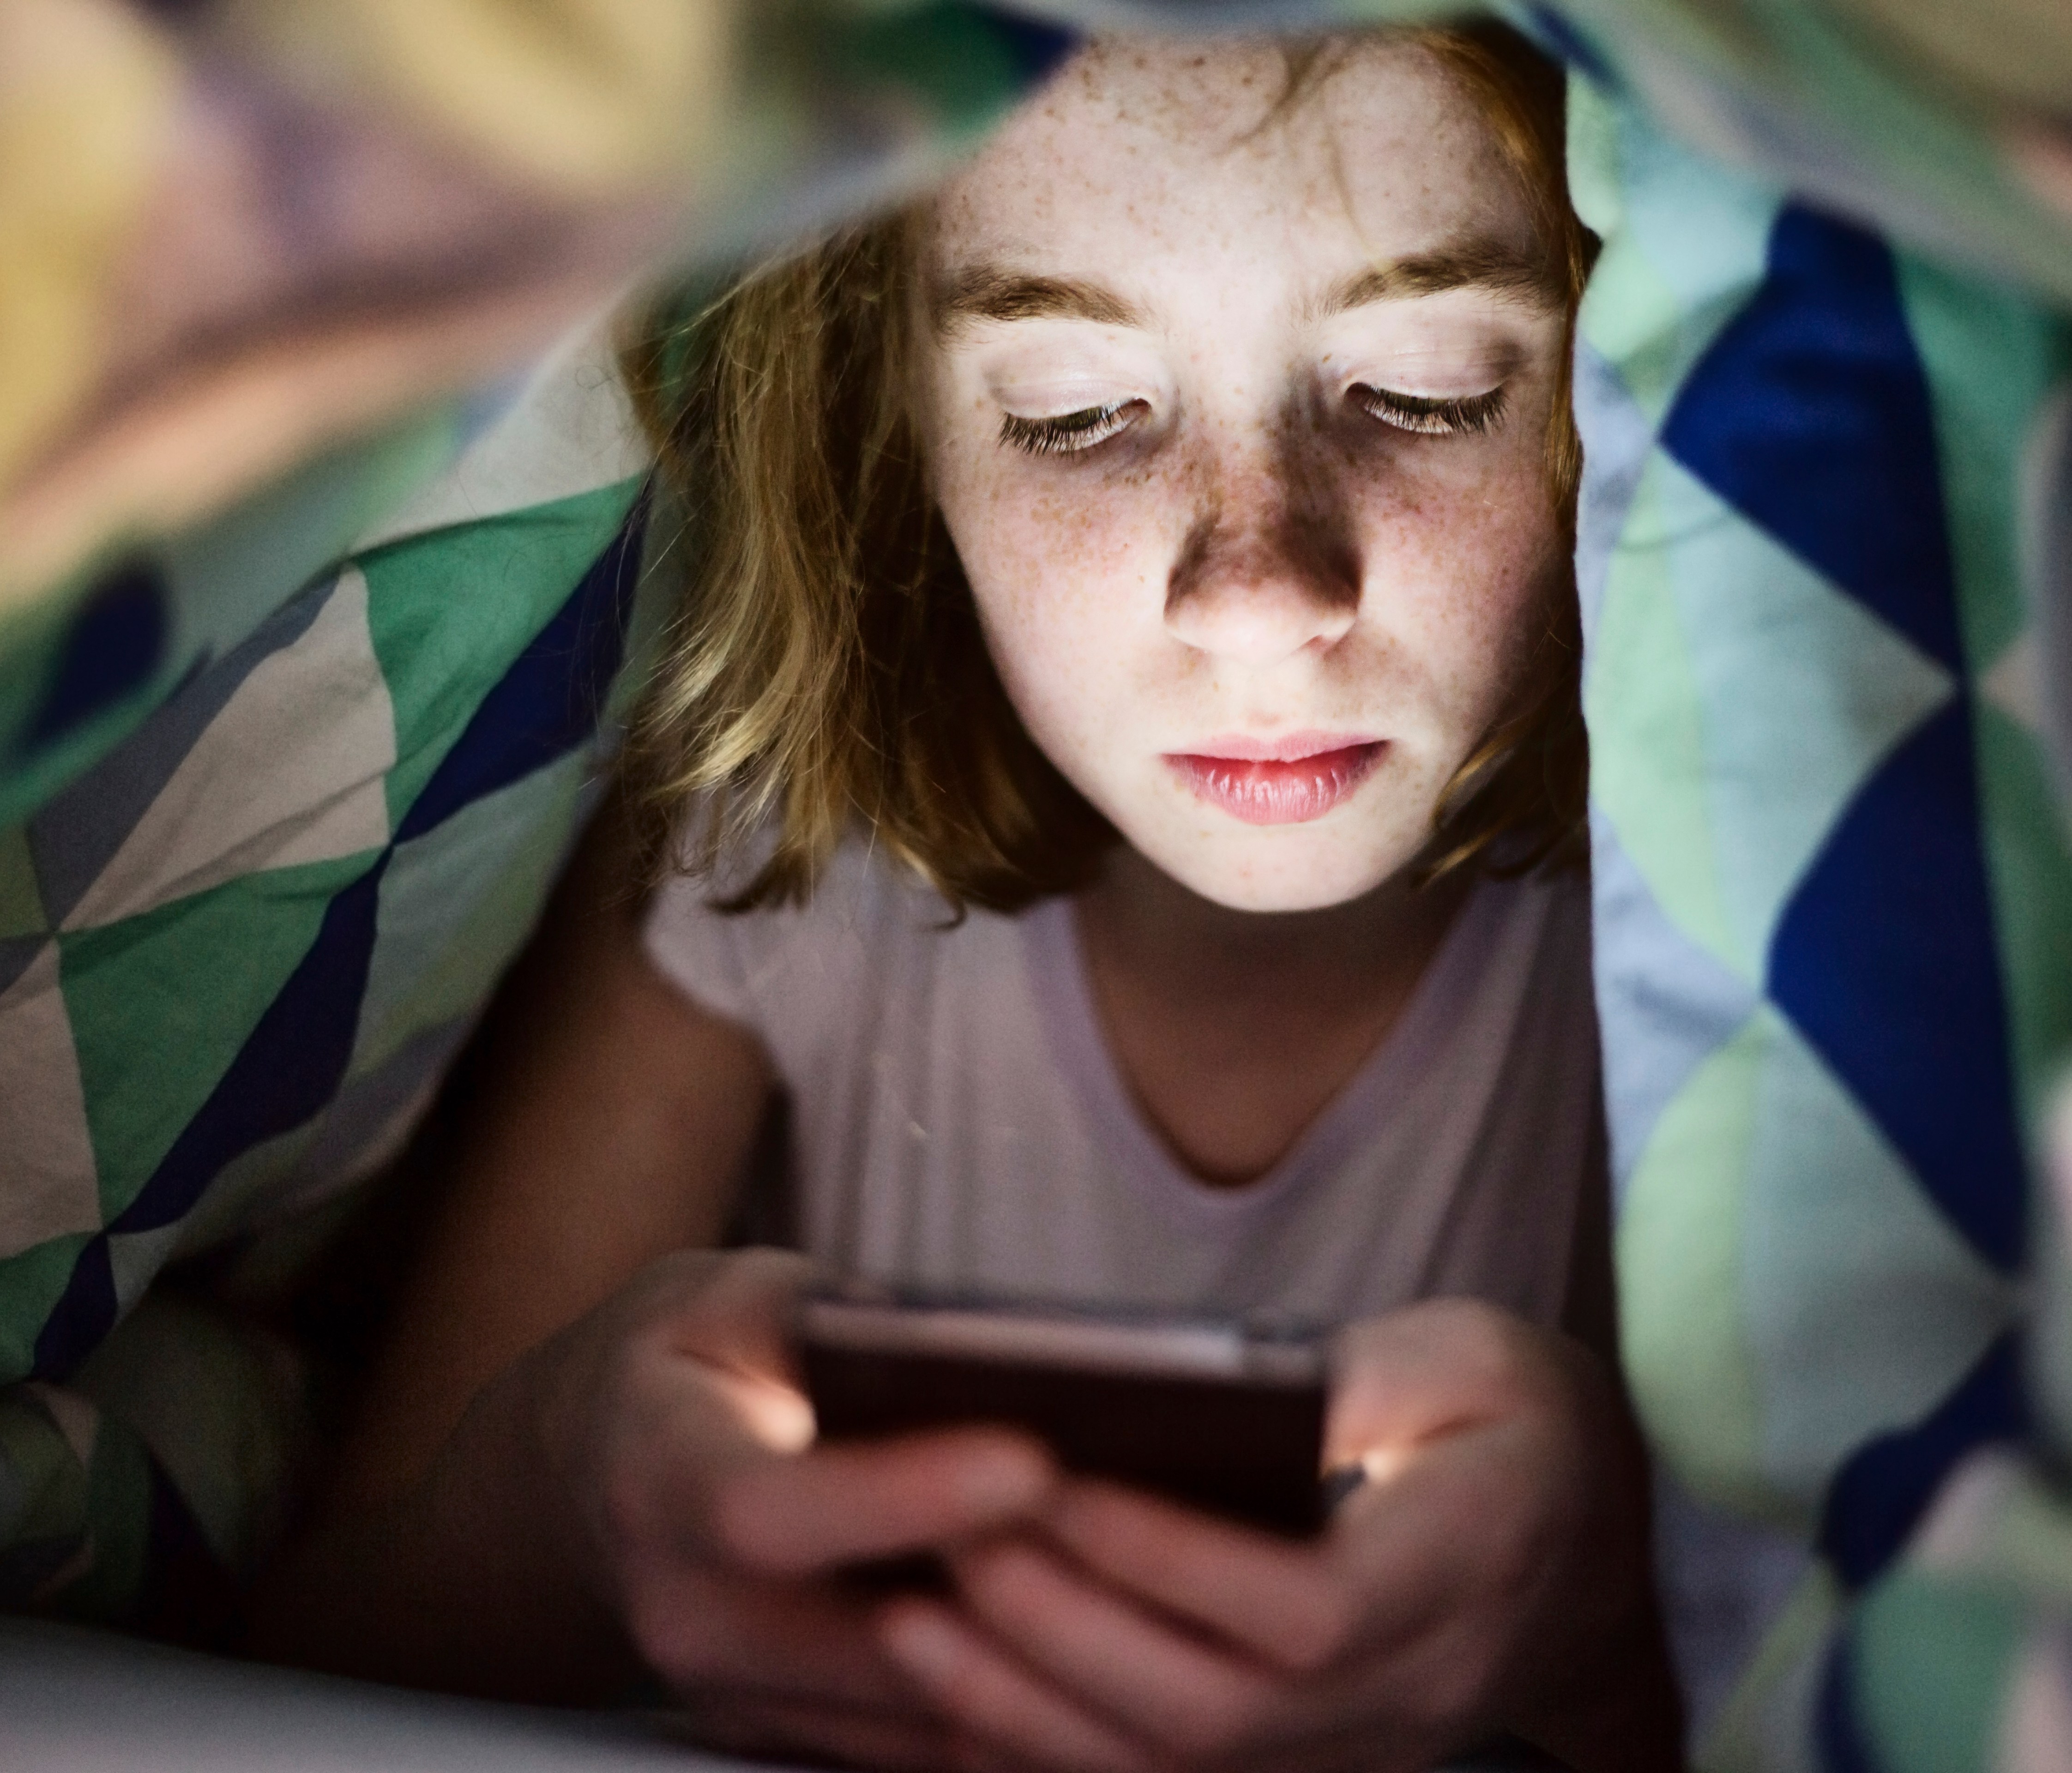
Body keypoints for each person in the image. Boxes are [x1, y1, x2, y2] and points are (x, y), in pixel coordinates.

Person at [251, 26, 1683, 1773]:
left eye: (1429, 390)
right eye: (1077, 418)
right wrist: (568, 1482)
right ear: (907, 442)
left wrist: (1607, 1602)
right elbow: (316, 1659)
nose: (1255, 594)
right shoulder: (770, 861)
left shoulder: (1677, 960)